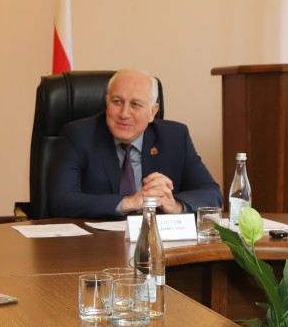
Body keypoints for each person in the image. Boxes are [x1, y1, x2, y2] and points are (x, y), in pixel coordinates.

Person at [49, 68, 222, 219]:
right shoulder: (79, 135)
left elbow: (212, 194)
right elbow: (61, 200)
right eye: (117, 102)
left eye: (135, 104)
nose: (124, 113)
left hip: (156, 241)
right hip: (98, 241)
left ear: (153, 112)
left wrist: (175, 206)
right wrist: (128, 202)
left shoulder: (175, 137)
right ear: (107, 102)